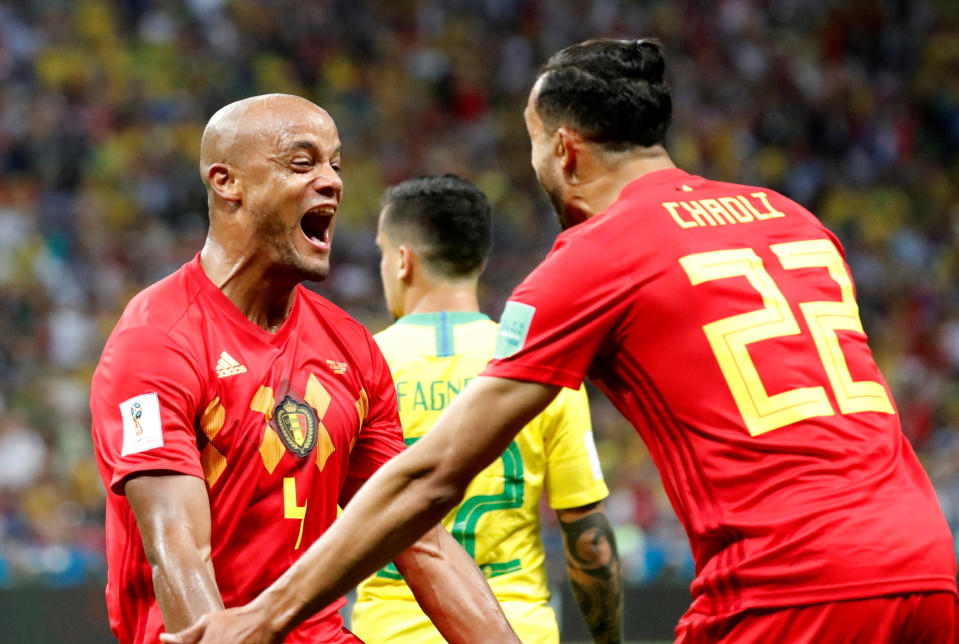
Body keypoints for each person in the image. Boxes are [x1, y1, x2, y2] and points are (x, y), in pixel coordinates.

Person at [162, 39, 959, 644]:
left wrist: (262, 618)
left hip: (790, 585)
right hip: (928, 564)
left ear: (565, 147)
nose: (535, 161)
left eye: (532, 141)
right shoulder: (794, 219)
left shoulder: (598, 254)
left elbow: (431, 476)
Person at [90, 93, 520, 644]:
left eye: (336, 165)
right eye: (303, 162)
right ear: (227, 183)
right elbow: (177, 547)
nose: (333, 181)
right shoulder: (157, 340)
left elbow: (420, 541)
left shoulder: (352, 350)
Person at [350, 174, 622, 644]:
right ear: (478, 259)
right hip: (516, 630)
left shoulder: (357, 368)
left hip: (389, 634)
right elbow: (586, 533)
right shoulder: (540, 368)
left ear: (402, 259)